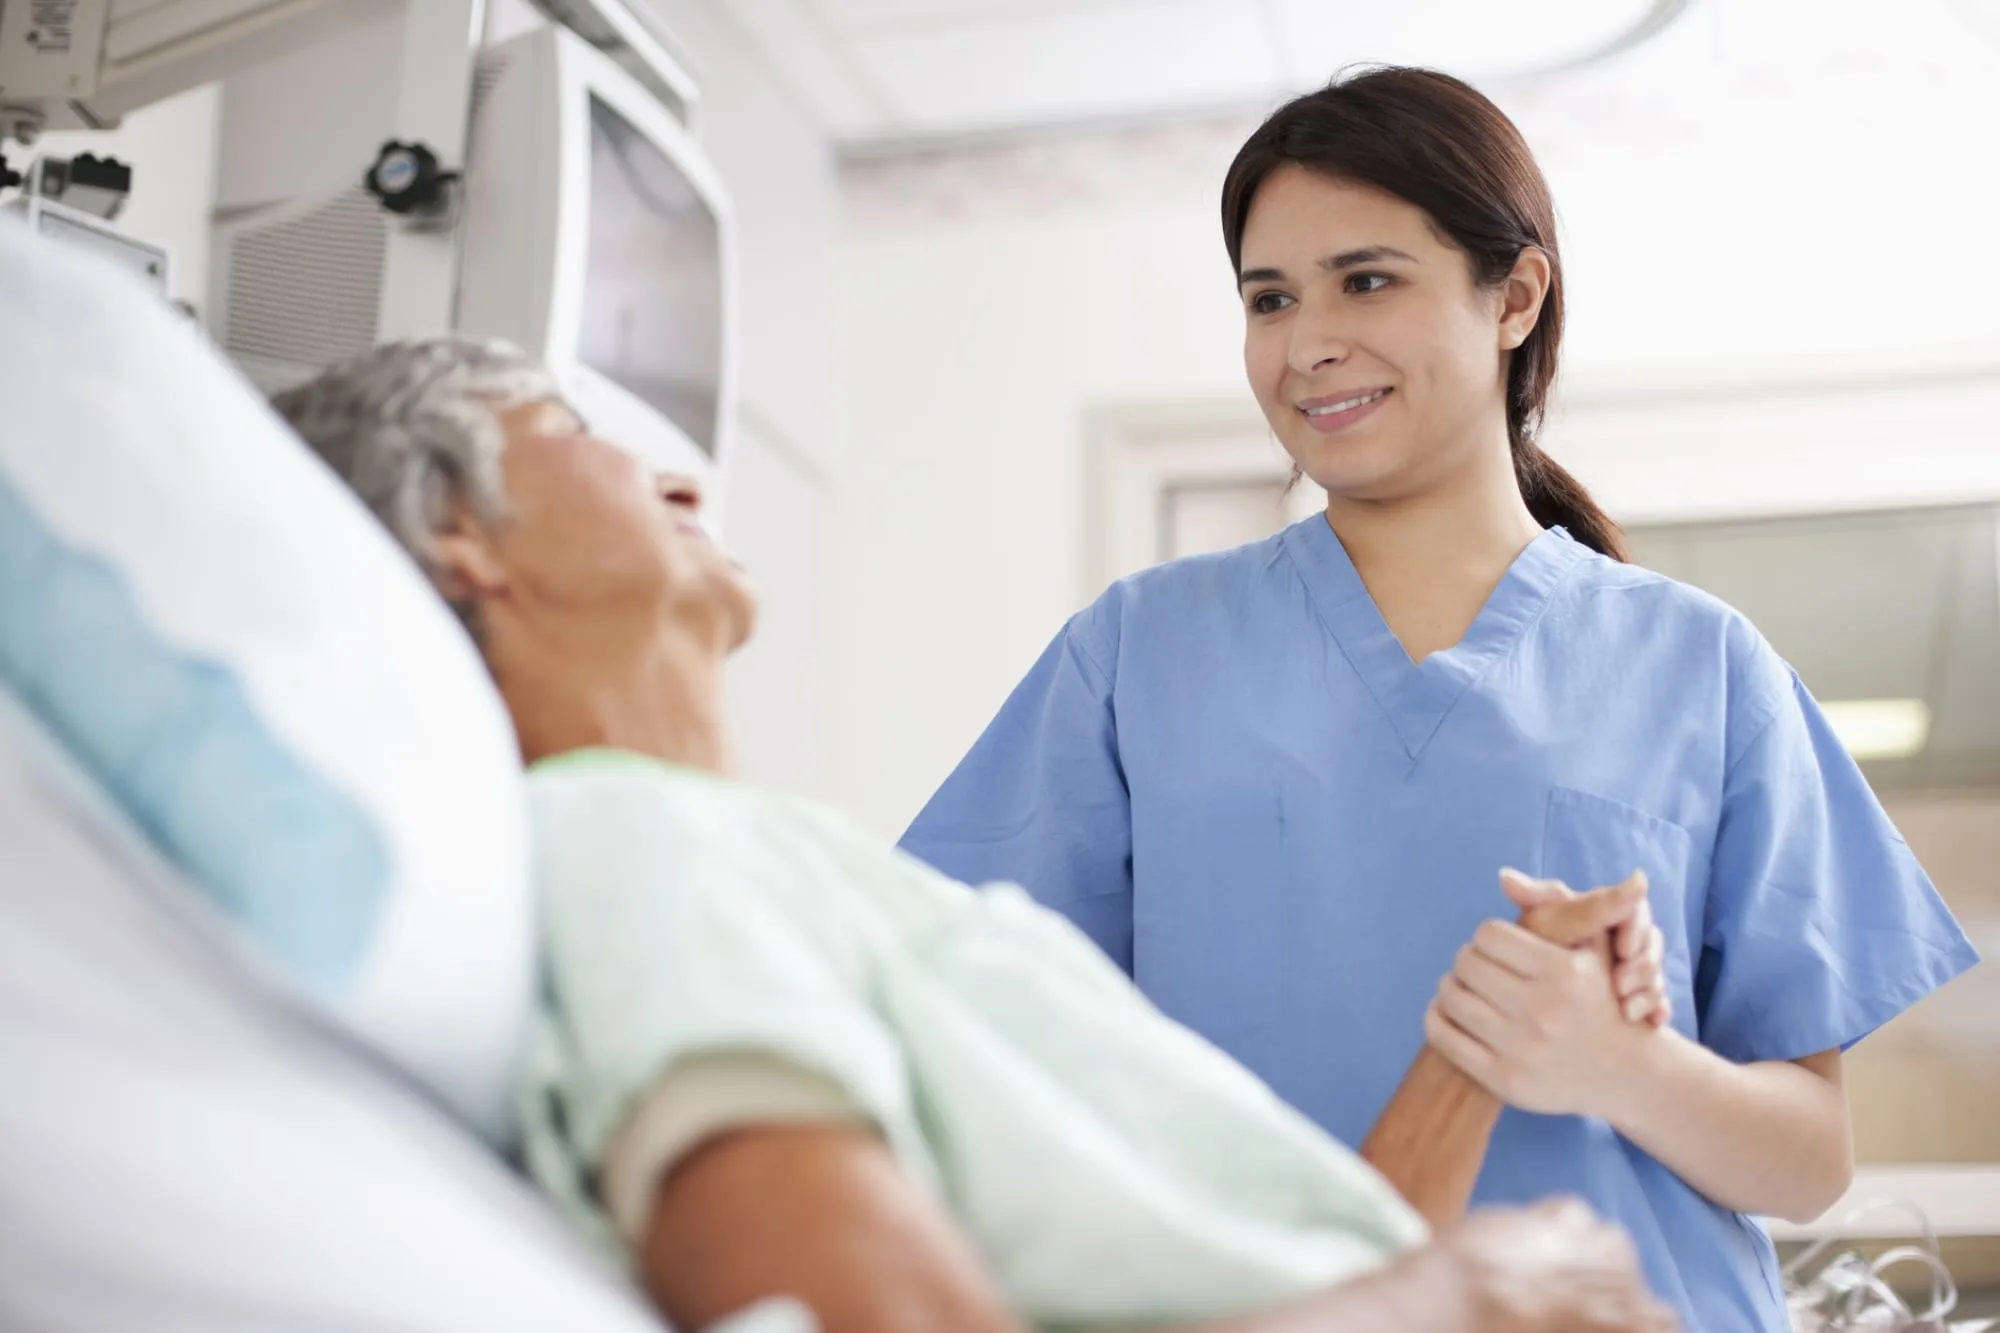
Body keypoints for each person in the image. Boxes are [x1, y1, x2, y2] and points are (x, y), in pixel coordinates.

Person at [271, 337, 1678, 1333]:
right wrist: (1452, 1301)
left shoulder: (768, 867)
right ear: (461, 535)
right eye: (578, 437)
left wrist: (1470, 1051)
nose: (681, 477)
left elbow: (1295, 1262)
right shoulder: (630, 850)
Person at [899, 66, 1980, 1333]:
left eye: (1365, 281)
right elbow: (959, 1040)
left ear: (1513, 296)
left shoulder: (1699, 666)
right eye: (1267, 298)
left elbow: (1806, 1159)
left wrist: (1619, 1065)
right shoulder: (1137, 654)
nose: (1306, 344)